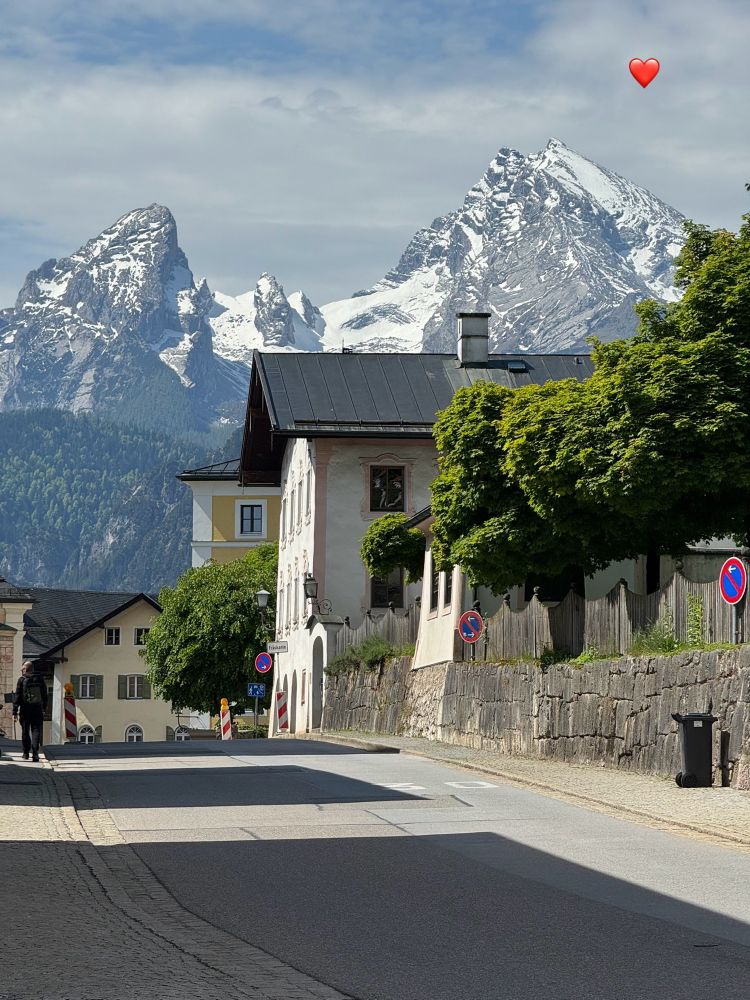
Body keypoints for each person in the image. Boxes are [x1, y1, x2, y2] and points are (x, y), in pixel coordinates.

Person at [12, 661, 47, 762]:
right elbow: (45, 695)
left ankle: (26, 753)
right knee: (36, 731)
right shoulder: (40, 679)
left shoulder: (22, 679)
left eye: (22, 668)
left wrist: (14, 712)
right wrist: (44, 708)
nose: (21, 670)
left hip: (25, 709)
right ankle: (35, 753)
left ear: (26, 669)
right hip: (37, 709)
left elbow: (17, 696)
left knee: (25, 731)